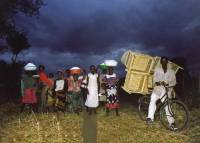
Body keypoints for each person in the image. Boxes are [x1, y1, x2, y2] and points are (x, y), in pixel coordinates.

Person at [146, 57, 177, 130]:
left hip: (166, 91)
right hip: (157, 89)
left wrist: (168, 83)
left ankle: (171, 122)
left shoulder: (171, 71)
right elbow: (154, 79)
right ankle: (150, 118)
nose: (164, 62)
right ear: (160, 62)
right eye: (162, 61)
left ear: (167, 62)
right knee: (152, 101)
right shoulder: (157, 69)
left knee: (167, 106)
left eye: (165, 61)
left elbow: (174, 81)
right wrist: (157, 82)